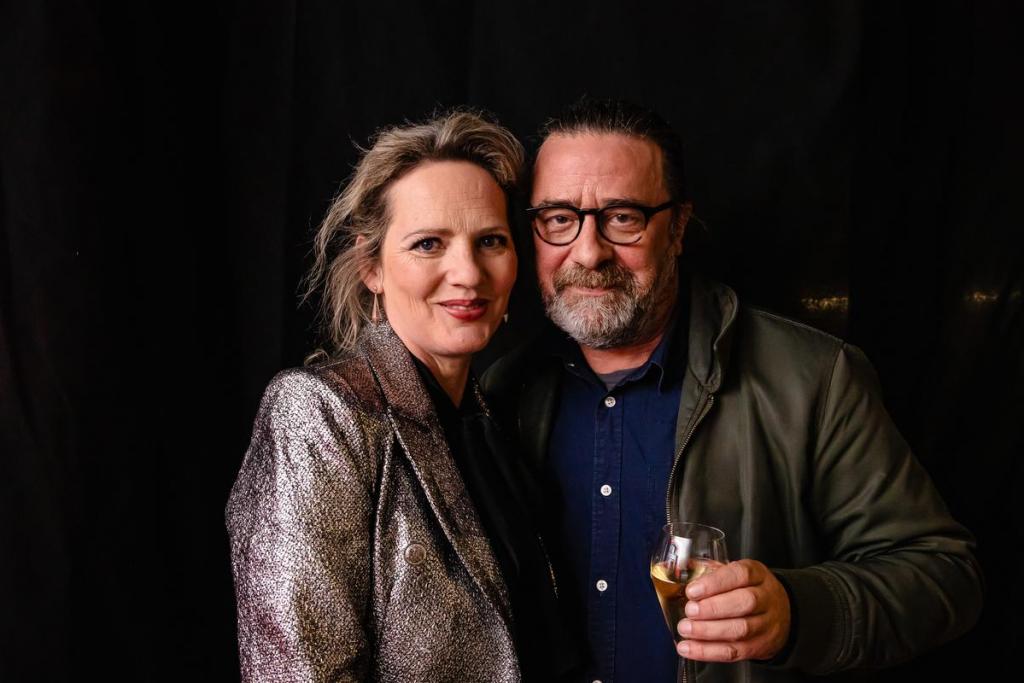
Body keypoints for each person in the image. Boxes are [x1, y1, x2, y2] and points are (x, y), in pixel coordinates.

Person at [482, 98, 983, 683]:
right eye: (559, 218)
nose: (589, 252)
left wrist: (796, 613)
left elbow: (946, 576)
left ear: (677, 228)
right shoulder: (500, 392)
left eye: (623, 217)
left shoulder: (816, 380)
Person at [226, 110, 576, 682]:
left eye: (490, 241)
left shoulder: (491, 419)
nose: (468, 273)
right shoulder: (317, 411)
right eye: (428, 244)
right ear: (372, 267)